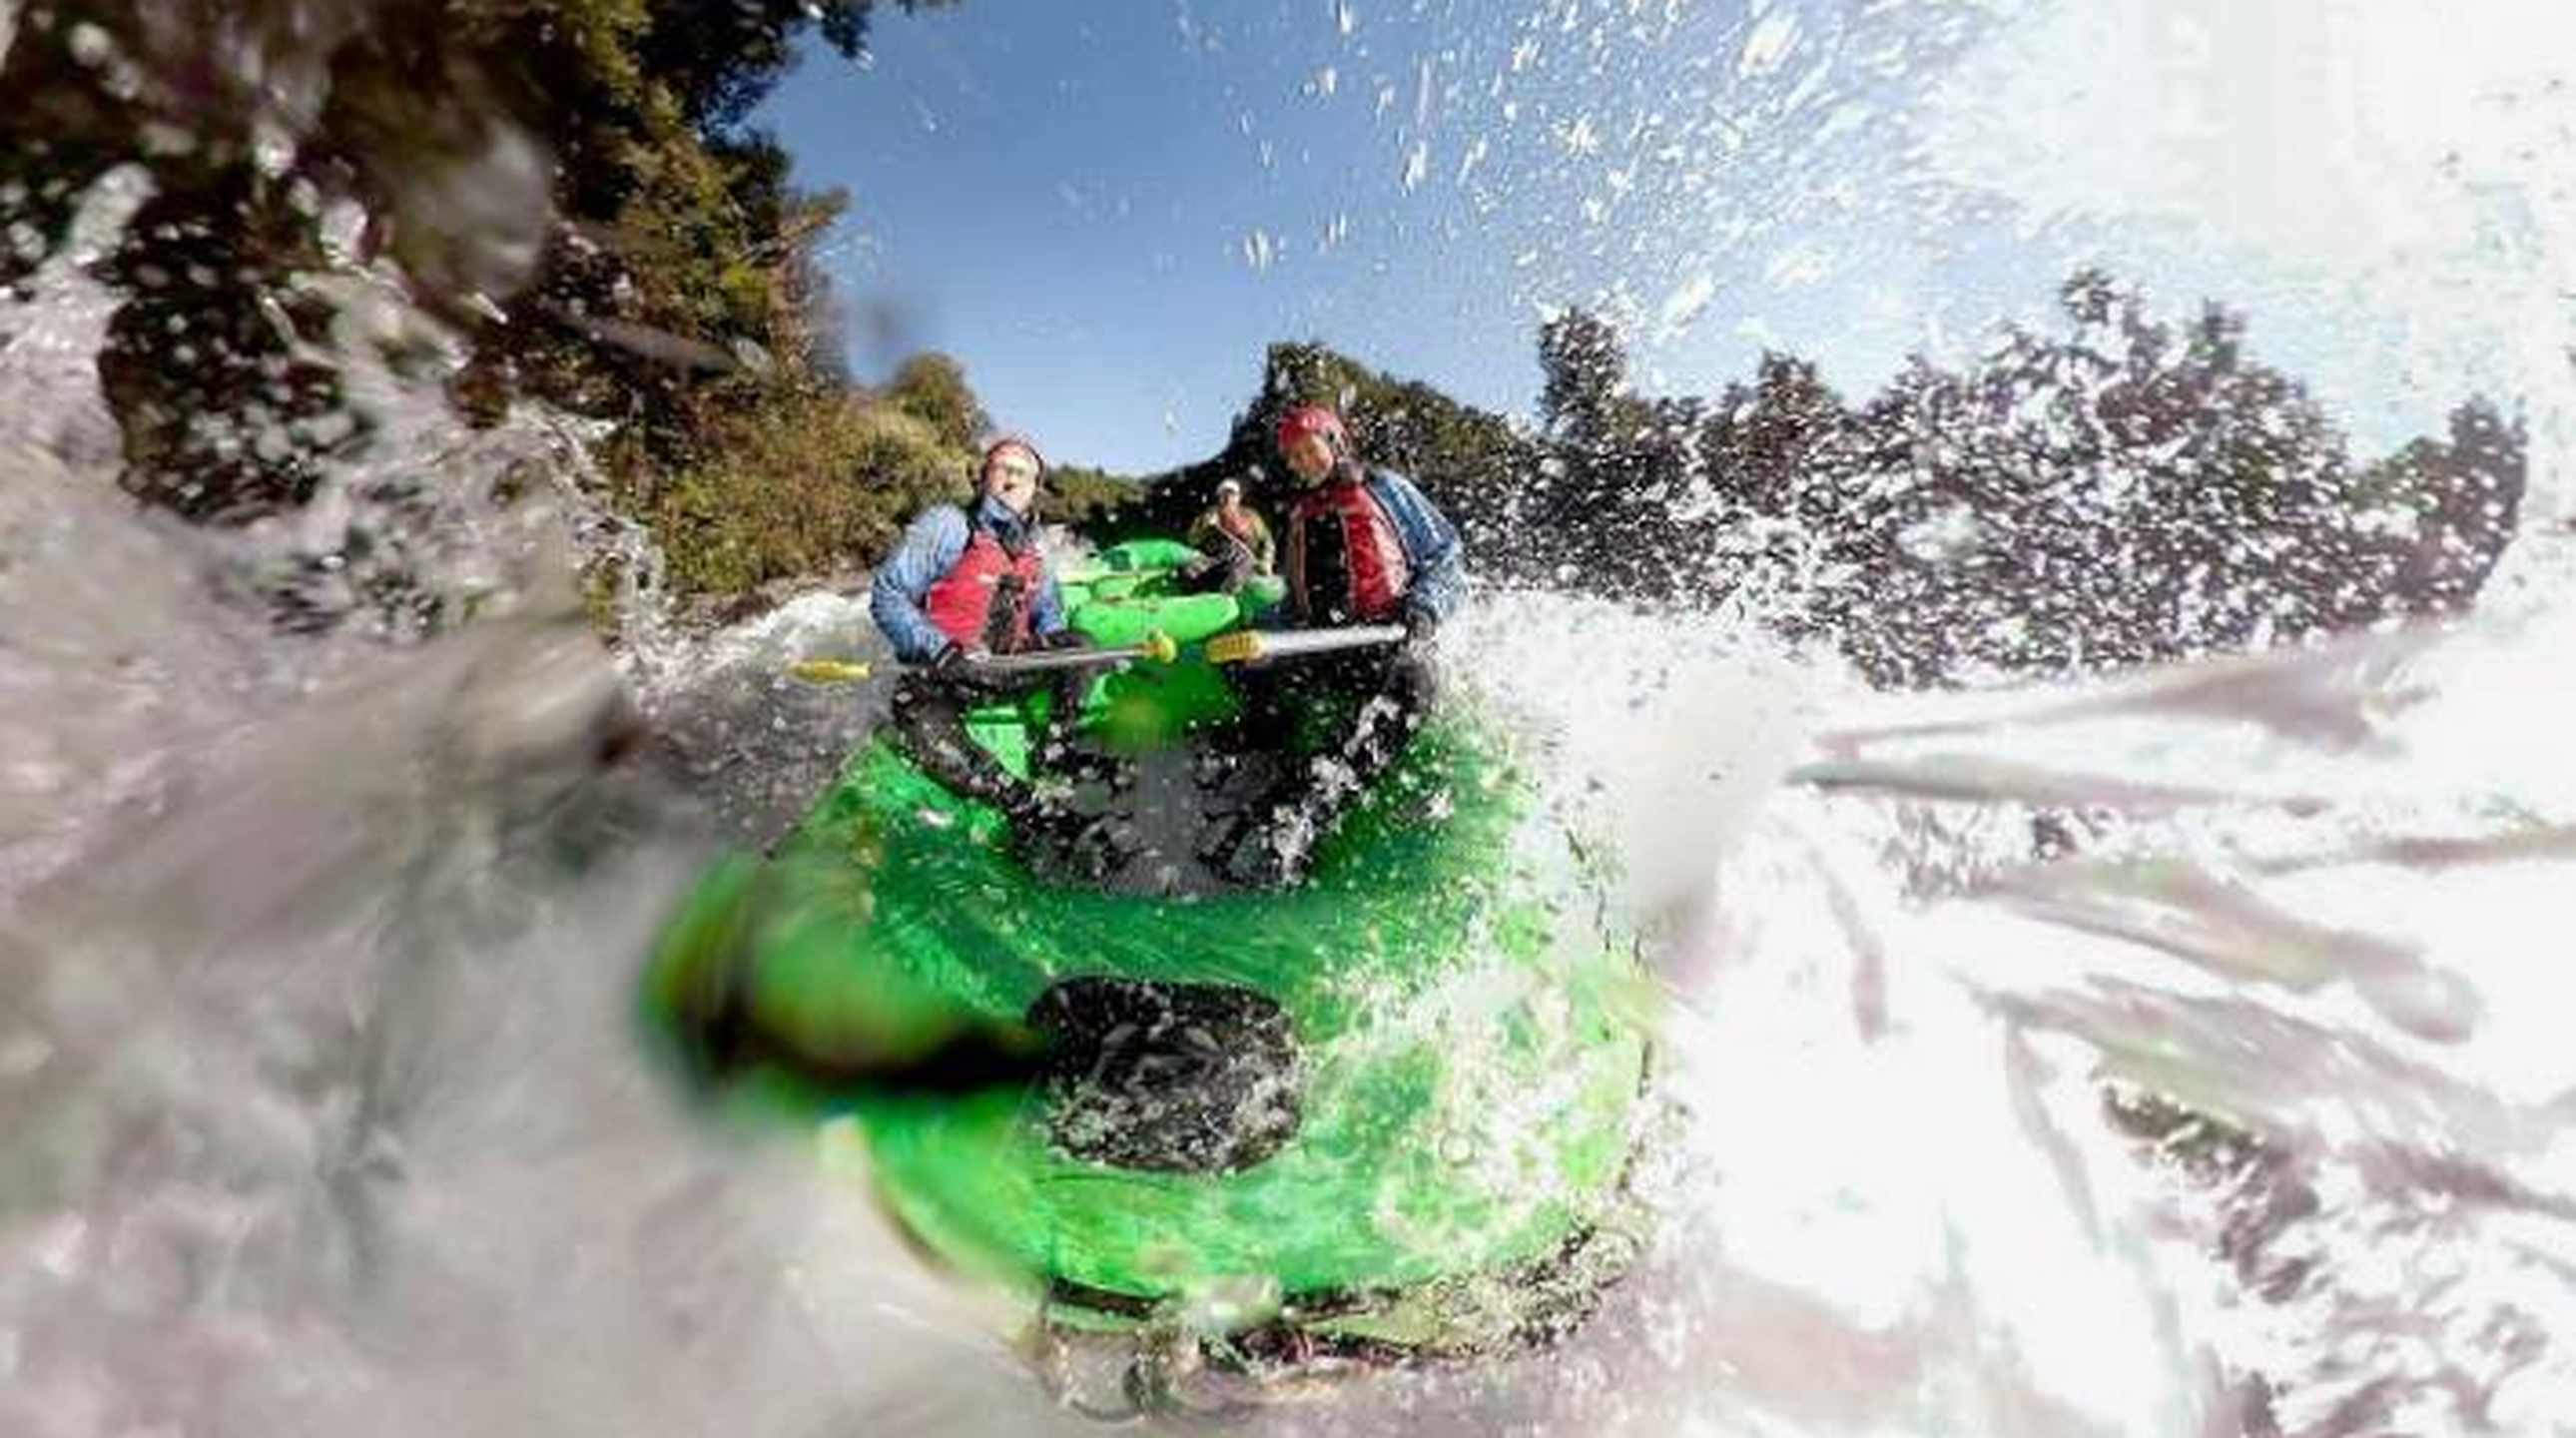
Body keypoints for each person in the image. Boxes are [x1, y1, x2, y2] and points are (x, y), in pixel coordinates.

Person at [1210, 404, 1466, 885]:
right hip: (1324, 646)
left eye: (1309, 450)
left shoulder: (1386, 488)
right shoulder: (1300, 514)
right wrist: (1258, 635)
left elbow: (1446, 556)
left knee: (1414, 687)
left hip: (1387, 640)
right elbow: (1294, 599)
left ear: (1336, 442)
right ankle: (1250, 777)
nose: (1302, 462)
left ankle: (1308, 816)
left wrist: (1425, 609)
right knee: (1251, 671)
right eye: (1293, 457)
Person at [870, 436, 1107, 854]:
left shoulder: (1036, 549)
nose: (1012, 478)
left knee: (1079, 646)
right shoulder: (948, 525)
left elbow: (1048, 616)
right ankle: (1021, 802)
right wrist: (940, 649)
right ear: (983, 478)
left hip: (1005, 668)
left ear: (1035, 488)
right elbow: (887, 595)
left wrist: (1056, 659)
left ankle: (1057, 751)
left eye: (1022, 472)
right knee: (916, 719)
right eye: (1002, 467)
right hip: (941, 674)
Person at [1183, 476, 1274, 594]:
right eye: (1224, 495)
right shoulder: (1210, 515)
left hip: (1246, 561)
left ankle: (1228, 595)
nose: (1228, 499)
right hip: (1217, 559)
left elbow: (1267, 541)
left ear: (1239, 497)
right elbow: (1192, 540)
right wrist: (1204, 527)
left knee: (1238, 573)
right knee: (1189, 572)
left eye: (1232, 495)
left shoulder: (1251, 517)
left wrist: (1266, 561)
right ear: (1219, 498)